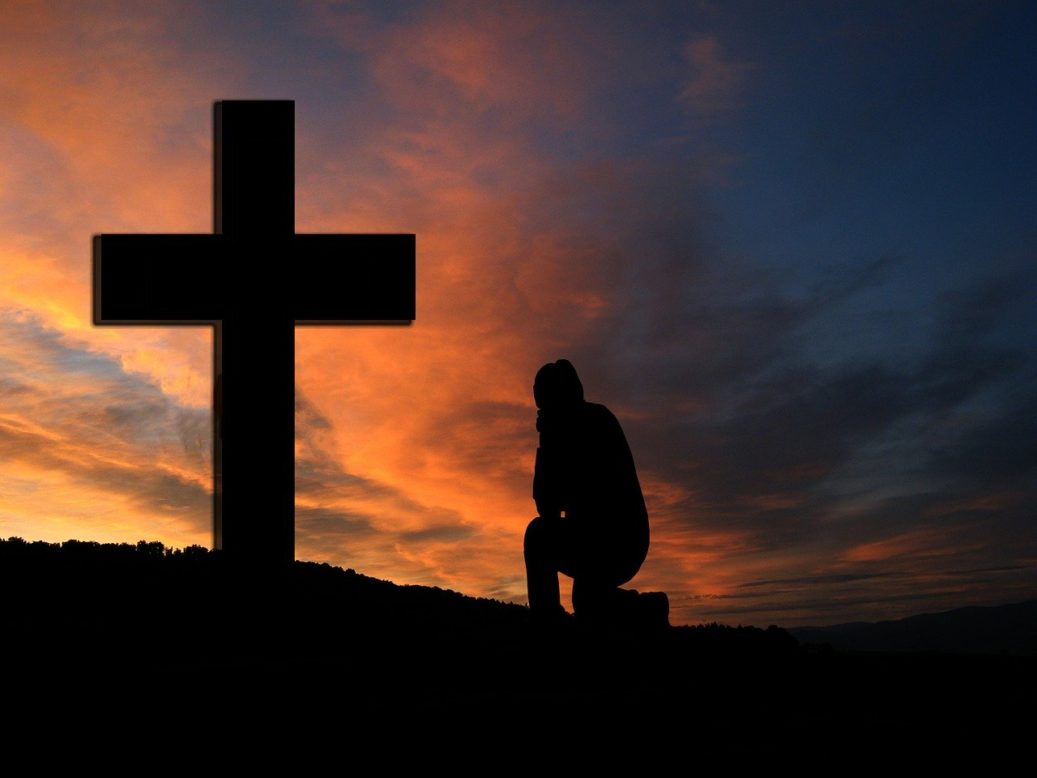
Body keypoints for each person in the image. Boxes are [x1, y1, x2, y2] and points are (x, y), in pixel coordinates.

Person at [524, 359, 666, 626]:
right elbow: (547, 507)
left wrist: (551, 447)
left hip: (619, 540)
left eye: (547, 406)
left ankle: (547, 625)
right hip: (592, 538)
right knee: (588, 601)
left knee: (539, 537)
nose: (543, 415)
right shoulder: (561, 435)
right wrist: (546, 447)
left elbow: (573, 501)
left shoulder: (597, 422)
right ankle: (650, 609)